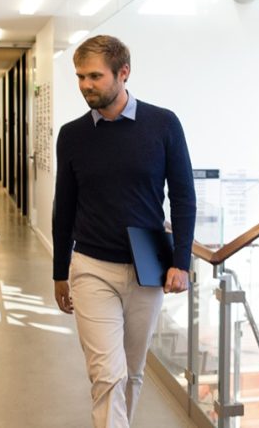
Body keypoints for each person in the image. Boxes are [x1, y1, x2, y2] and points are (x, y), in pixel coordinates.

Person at [52, 34, 196, 428]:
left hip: (147, 268)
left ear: (124, 73)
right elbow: (63, 206)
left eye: (95, 76)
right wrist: (59, 271)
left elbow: (183, 197)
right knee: (107, 375)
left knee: (130, 374)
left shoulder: (163, 124)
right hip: (91, 267)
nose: (85, 85)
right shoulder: (73, 135)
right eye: (80, 77)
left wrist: (180, 263)